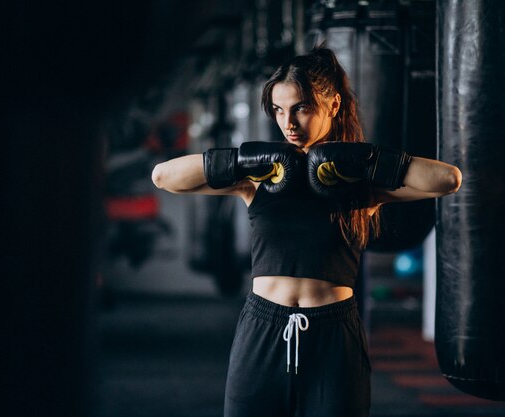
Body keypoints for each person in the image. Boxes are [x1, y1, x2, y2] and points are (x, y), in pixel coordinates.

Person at [151, 46, 461, 417]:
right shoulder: (261, 177)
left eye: (301, 107)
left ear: (332, 105)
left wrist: (365, 161)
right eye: (279, 111)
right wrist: (239, 160)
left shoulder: (359, 182)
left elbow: (448, 180)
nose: (289, 123)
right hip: (263, 330)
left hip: (334, 335)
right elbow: (163, 177)